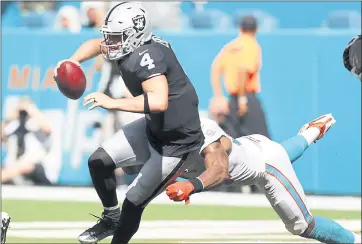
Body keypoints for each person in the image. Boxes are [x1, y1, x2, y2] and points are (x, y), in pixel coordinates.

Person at [53, 2, 227, 244]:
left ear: (135, 35)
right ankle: (110, 217)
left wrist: (112, 102)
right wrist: (72, 61)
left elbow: (158, 101)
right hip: (154, 128)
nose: (110, 42)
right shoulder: (131, 44)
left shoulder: (146, 56)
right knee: (98, 161)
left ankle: (118, 229)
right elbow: (96, 45)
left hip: (176, 145)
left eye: (116, 37)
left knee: (133, 203)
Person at [166, 114, 361, 244]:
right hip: (253, 145)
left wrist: (192, 185)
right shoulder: (163, 133)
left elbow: (219, 169)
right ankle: (312, 131)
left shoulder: (202, 131)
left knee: (303, 225)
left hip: (266, 165)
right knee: (279, 153)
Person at [210, 15, 270, 139]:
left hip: (232, 101)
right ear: (256, 29)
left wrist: (219, 96)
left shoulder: (231, 46)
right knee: (261, 141)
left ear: (240, 28)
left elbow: (215, 69)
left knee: (234, 142)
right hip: (246, 99)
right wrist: (242, 99)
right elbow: (243, 70)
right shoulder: (251, 46)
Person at [1, 97, 53, 186]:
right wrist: (7, 119)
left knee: (25, 166)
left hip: (34, 167)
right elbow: (2, 136)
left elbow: (47, 129)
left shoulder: (36, 122)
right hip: (14, 167)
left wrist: (31, 110)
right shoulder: (13, 124)